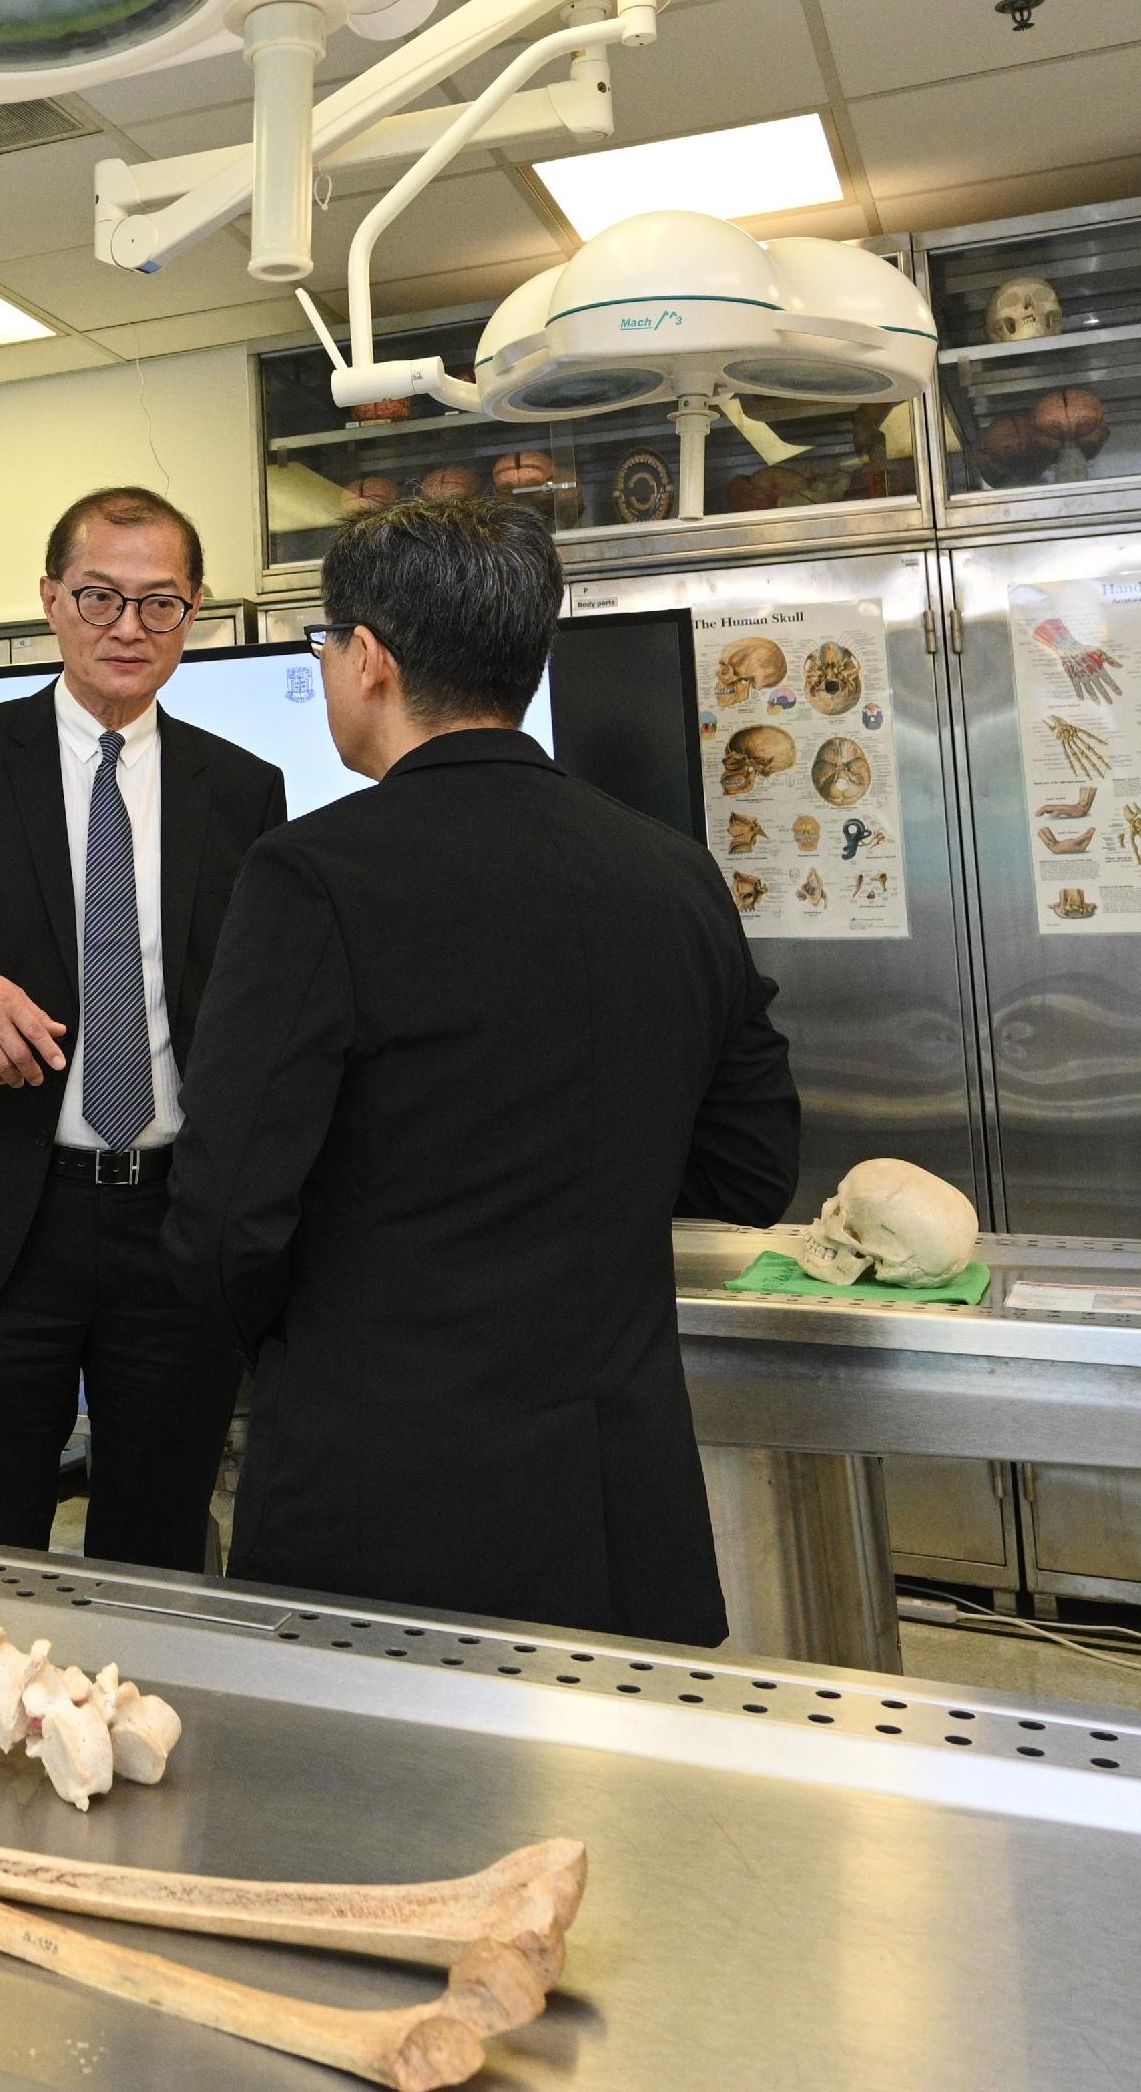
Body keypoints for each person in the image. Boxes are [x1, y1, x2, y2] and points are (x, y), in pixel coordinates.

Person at [169, 497, 798, 1642]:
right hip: (618, 1499)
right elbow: (751, 1169)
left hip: (382, 1496)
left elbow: (224, 1217)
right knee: (612, 1811)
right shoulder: (673, 872)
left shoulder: (313, 874)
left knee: (386, 1816)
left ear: (367, 658)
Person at [0, 488, 284, 1568]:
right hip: (4, 1221)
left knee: (159, 1547)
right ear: (51, 599)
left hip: (175, 1232)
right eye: (99, 596)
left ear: (195, 615)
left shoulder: (242, 788)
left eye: (160, 602)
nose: (127, 627)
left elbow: (259, 1011)